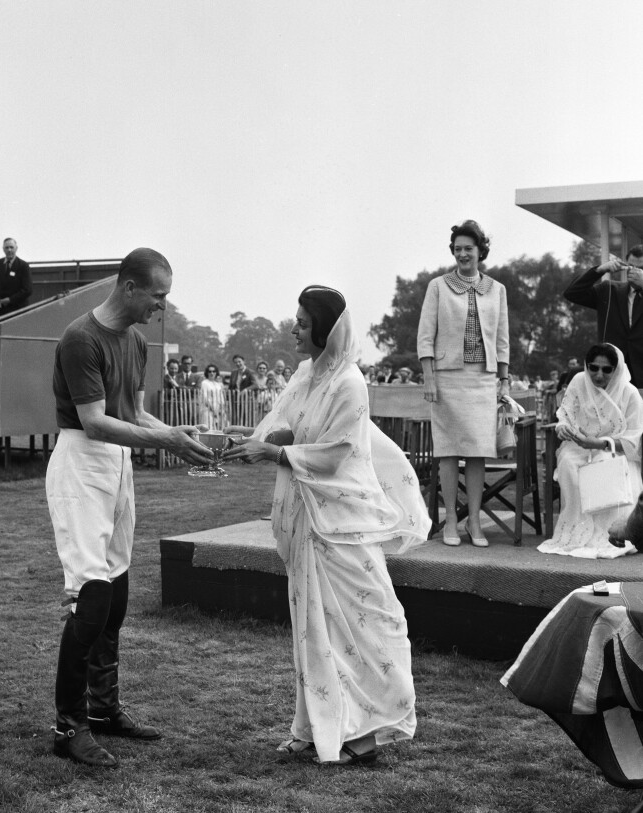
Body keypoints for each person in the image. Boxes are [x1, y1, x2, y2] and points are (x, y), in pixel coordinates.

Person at [224, 285, 429, 765]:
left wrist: (274, 453)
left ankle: (368, 728)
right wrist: (245, 441)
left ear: (325, 327)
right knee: (313, 629)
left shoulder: (349, 383)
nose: (293, 328)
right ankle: (317, 725)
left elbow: (337, 453)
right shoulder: (305, 375)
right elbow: (292, 429)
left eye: (301, 321)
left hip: (341, 519)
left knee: (370, 623)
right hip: (305, 516)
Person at [45, 247, 212, 768]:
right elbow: (94, 420)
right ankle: (67, 725)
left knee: (115, 596)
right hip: (81, 463)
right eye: (158, 295)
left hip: (117, 465)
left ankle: (102, 710)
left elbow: (135, 412)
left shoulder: (137, 341)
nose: (161, 306)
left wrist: (178, 434)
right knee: (91, 598)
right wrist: (164, 444)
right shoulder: (80, 338)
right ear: (129, 287)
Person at [417, 220, 510, 547]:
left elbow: (502, 341)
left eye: (468, 249)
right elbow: (425, 336)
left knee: (477, 452)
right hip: (446, 379)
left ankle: (474, 520)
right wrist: (429, 376)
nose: (462, 254)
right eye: (457, 249)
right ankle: (451, 521)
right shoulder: (438, 286)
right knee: (447, 452)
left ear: (480, 250)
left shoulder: (497, 290)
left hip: (482, 380)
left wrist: (504, 382)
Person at [538, 343, 642, 559]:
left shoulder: (630, 393)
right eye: (593, 368)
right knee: (566, 460)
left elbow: (634, 441)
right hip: (579, 447)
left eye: (606, 369)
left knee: (603, 461)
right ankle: (576, 529)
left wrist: (599, 444)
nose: (598, 375)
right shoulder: (578, 382)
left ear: (617, 369)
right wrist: (563, 429)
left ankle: (612, 531)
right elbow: (565, 415)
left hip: (615, 451)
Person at [563, 245, 643, 387]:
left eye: (641, 268)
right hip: (612, 374)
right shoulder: (609, 290)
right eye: (631, 267)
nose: (635, 272)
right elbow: (572, 293)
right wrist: (599, 270)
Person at [0, 238, 32, 317]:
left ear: (16, 248)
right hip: (1, 309)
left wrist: (10, 300)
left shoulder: (23, 266)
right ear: (3, 249)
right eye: (6, 247)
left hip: (18, 309)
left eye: (11, 247)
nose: (9, 250)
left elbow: (28, 290)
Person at [198, 363, 228, 429]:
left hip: (218, 411)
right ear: (207, 373)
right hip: (208, 410)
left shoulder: (218, 384)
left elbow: (221, 398)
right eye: (210, 371)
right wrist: (213, 410)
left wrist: (220, 409)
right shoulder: (204, 383)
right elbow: (205, 398)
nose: (212, 373)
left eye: (214, 371)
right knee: (209, 428)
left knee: (219, 428)